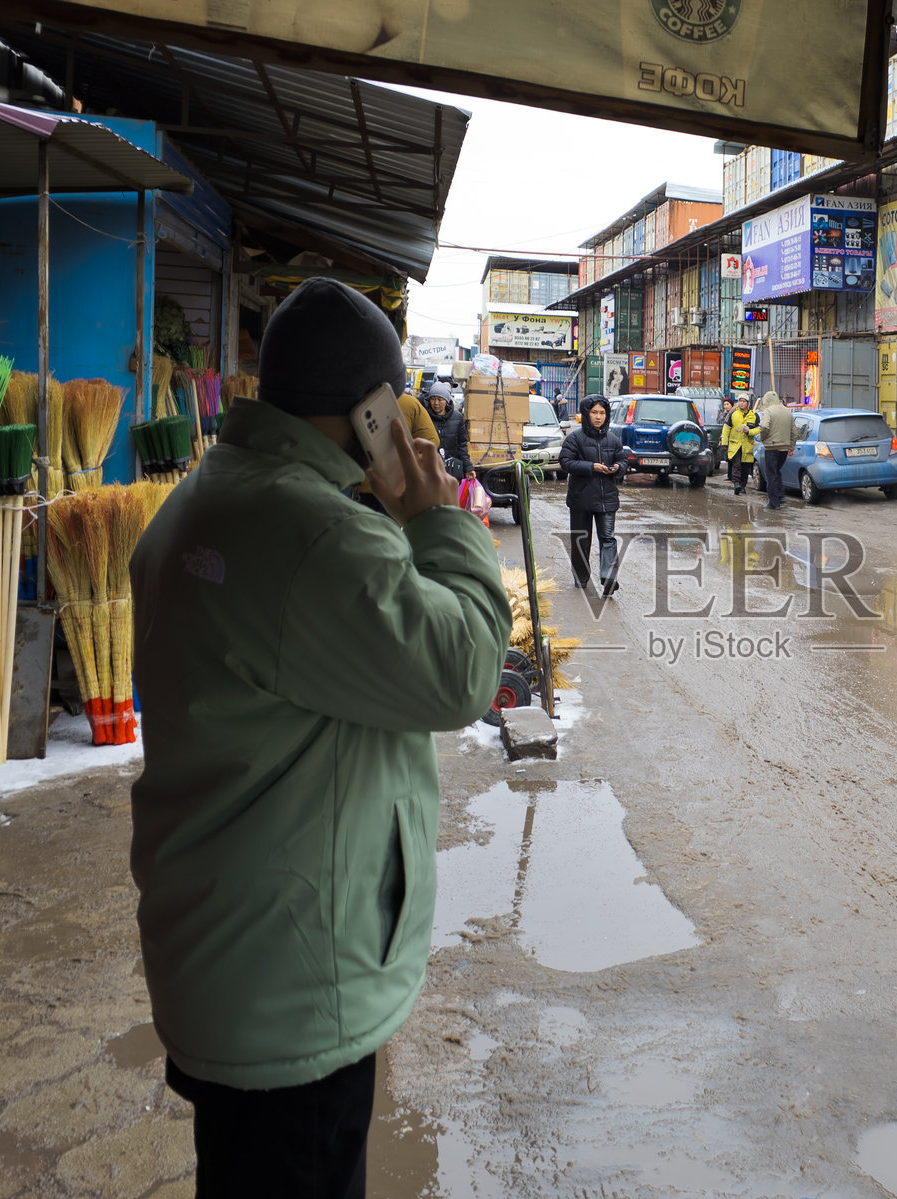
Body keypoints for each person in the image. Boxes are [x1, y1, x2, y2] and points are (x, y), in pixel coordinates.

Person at [129, 277, 512, 1198]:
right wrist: (435, 521)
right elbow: (464, 668)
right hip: (295, 989)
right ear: (373, 412)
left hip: (228, 958)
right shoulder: (318, 539)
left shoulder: (204, 499)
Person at [559, 394, 628, 595]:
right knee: (582, 540)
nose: (598, 417)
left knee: (608, 538)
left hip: (607, 498)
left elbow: (623, 461)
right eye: (594, 412)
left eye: (602, 413)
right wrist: (592, 467)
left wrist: (617, 467)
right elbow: (566, 462)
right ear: (586, 414)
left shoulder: (613, 439)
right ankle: (581, 578)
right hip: (581, 498)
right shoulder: (575, 438)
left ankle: (608, 580)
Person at [754, 390, 794, 510]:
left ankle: (773, 502)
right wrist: (791, 447)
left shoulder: (768, 411)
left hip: (771, 447)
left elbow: (765, 427)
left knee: (771, 474)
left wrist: (762, 438)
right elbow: (794, 432)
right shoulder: (788, 411)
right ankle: (780, 495)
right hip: (784, 448)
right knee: (776, 471)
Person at [424, 380, 471, 479]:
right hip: (430, 470)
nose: (436, 403)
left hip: (452, 471)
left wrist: (468, 467)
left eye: (440, 399)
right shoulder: (424, 417)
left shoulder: (457, 418)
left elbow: (462, 445)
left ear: (447, 400)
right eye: (432, 399)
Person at [723, 395, 759, 495]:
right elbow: (726, 429)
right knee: (736, 465)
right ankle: (736, 484)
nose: (741, 403)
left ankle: (743, 485)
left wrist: (750, 431)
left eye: (744, 401)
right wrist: (724, 442)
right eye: (740, 401)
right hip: (735, 445)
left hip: (747, 446)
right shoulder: (733, 414)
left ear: (748, 403)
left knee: (745, 467)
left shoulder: (754, 415)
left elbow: (759, 429)